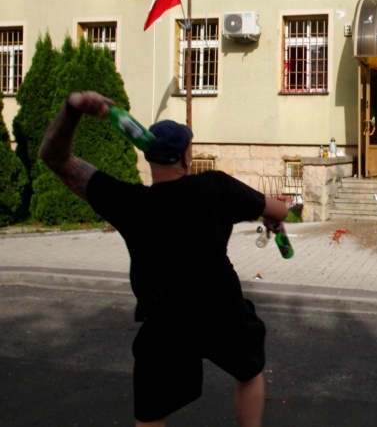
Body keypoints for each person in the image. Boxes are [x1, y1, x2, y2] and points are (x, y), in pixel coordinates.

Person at [39, 91, 289, 427]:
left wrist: (72, 109)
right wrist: (270, 217)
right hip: (224, 313)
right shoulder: (215, 186)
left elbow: (55, 157)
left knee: (152, 412)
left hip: (165, 323)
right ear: (187, 157)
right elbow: (279, 209)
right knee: (249, 371)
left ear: (147, 158)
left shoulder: (128, 202)